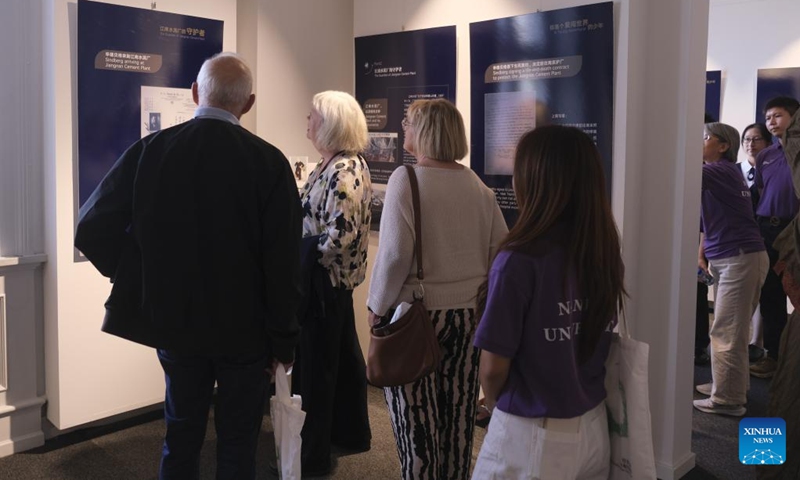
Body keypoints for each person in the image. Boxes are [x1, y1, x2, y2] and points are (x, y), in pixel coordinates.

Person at [74, 52, 302, 479]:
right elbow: (283, 262)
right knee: (238, 443)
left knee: (180, 434)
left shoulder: (151, 150)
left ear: (196, 93)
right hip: (246, 332)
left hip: (175, 323)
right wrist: (284, 341)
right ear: (248, 103)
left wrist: (136, 275)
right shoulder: (269, 163)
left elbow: (91, 228)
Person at [470, 126, 624, 479]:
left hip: (533, 430)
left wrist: (498, 408)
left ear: (534, 181)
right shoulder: (602, 246)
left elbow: (493, 369)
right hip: (594, 423)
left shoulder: (519, 259)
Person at [367, 98, 508, 480]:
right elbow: (501, 251)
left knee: (417, 425)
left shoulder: (406, 179)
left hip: (415, 316)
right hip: (468, 319)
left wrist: (375, 306)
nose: (403, 128)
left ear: (425, 131)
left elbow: (395, 255)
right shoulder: (477, 185)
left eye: (409, 122)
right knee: (458, 420)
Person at [292, 90, 373, 476]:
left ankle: (313, 458)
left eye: (312, 116)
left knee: (319, 373)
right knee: (341, 361)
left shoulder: (344, 171)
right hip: (328, 281)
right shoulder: (331, 164)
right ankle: (350, 433)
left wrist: (302, 255)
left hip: (325, 282)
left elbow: (339, 236)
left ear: (331, 124)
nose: (306, 121)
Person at [694, 122, 768, 416]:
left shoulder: (716, 171)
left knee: (727, 329)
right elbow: (707, 219)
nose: (698, 142)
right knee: (731, 329)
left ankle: (727, 400)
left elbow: (677, 171)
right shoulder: (723, 173)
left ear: (723, 146)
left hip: (739, 257)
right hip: (736, 256)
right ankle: (728, 386)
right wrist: (702, 253)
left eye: (703, 138)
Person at [751, 96, 800, 379]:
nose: (772, 121)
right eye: (768, 117)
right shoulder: (766, 155)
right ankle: (774, 356)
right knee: (770, 296)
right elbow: (760, 190)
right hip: (765, 229)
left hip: (792, 230)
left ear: (794, 119)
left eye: (778, 115)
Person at [740, 123, 773, 362]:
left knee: (766, 292)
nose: (751, 144)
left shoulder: (773, 169)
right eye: (747, 140)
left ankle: (757, 342)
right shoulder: (732, 170)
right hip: (737, 242)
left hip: (766, 238)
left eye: (757, 139)